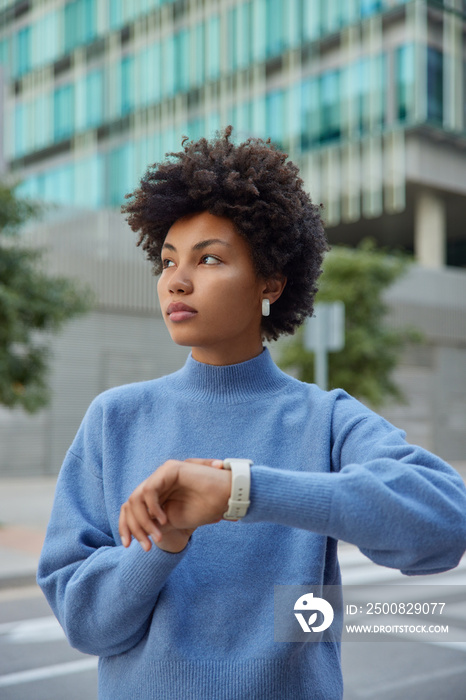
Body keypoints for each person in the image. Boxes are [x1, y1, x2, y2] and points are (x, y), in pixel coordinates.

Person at [37, 126, 466, 700]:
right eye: (166, 263)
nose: (177, 281)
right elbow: (85, 624)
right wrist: (164, 541)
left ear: (270, 282)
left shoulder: (327, 420)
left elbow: (445, 524)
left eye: (209, 259)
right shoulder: (115, 419)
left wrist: (243, 490)